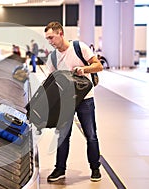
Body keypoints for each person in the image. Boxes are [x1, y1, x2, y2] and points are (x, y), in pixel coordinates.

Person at [44, 21, 103, 182]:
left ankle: (95, 168)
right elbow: (52, 80)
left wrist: (83, 69)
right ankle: (60, 169)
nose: (50, 41)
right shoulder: (53, 57)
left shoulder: (79, 47)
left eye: (51, 37)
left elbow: (98, 66)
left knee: (91, 135)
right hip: (66, 102)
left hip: (86, 99)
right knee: (62, 136)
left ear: (60, 33)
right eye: (47, 39)